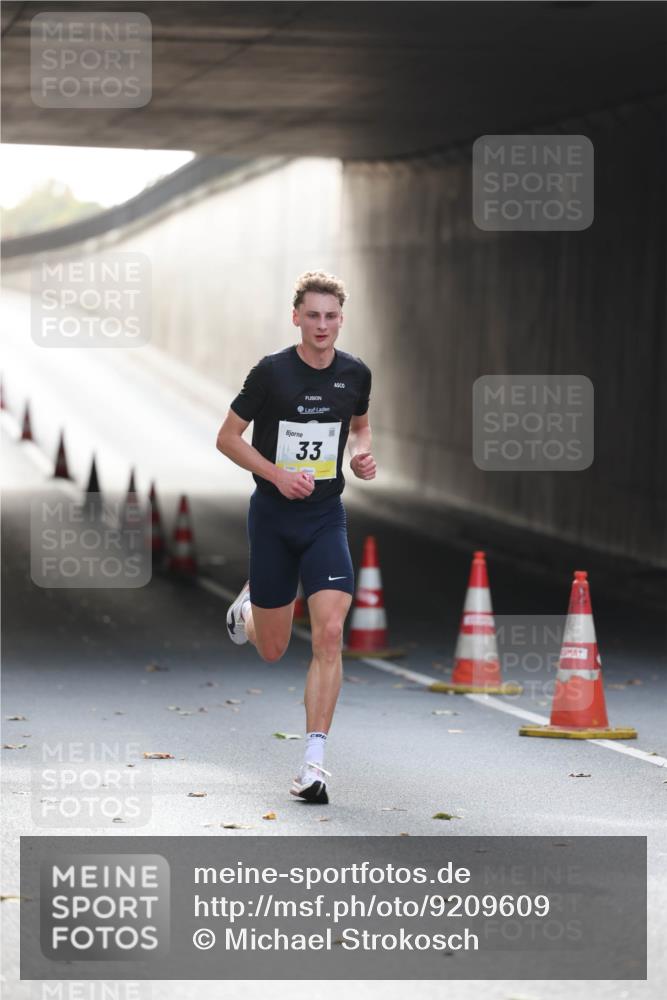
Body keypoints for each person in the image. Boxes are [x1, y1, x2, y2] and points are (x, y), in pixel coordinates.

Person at [215, 270, 375, 804]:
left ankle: (313, 763)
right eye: (313, 315)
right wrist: (277, 475)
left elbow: (359, 423)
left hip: (326, 517)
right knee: (275, 648)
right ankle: (249, 614)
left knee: (330, 633)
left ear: (340, 320)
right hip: (275, 518)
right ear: (297, 317)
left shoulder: (355, 374)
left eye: (331, 316)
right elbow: (227, 438)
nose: (322, 325)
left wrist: (360, 454)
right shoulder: (271, 374)